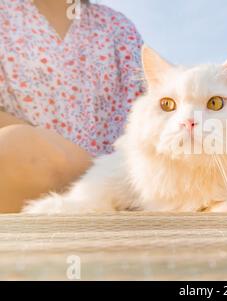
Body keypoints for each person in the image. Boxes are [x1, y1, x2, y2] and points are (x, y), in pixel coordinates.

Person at [0, 0, 145, 213]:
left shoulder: (118, 28)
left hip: (118, 180)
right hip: (26, 180)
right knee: (15, 149)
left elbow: (149, 113)